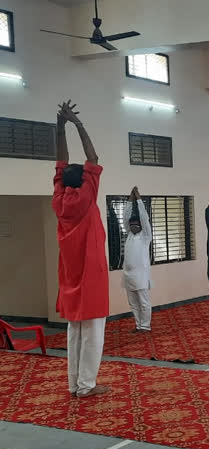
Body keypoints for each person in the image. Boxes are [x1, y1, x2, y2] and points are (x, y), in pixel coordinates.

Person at [52, 100, 110, 398]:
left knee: (75, 331)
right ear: (85, 180)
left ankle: (75, 383)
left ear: (63, 181)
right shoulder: (87, 196)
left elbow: (60, 163)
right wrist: (77, 124)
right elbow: (94, 156)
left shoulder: (60, 200)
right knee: (93, 332)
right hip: (91, 274)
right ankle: (87, 385)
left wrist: (60, 127)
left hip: (70, 275)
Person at [122, 186, 152, 333]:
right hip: (128, 275)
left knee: (144, 302)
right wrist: (130, 200)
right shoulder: (129, 235)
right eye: (131, 225)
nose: (133, 226)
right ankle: (138, 325)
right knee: (133, 303)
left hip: (141, 275)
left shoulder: (145, 236)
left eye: (136, 225)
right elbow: (125, 217)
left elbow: (145, 218)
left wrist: (139, 199)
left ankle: (145, 326)